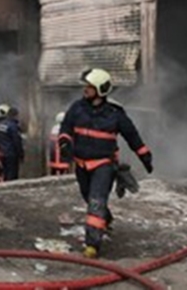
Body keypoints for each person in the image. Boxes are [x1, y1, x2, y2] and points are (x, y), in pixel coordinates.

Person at [59, 68, 154, 259]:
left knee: (96, 200)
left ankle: (92, 245)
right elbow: (66, 127)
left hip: (103, 165)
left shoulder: (115, 114)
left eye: (90, 86)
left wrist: (144, 156)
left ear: (100, 90)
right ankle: (106, 218)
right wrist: (65, 142)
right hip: (81, 164)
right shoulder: (77, 108)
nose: (85, 89)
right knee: (88, 196)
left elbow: (132, 137)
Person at [0, 104, 24, 182]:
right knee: (12, 174)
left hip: (1, 152)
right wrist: (21, 154)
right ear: (15, 115)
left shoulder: (0, 123)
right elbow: (17, 141)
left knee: (5, 172)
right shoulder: (13, 126)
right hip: (11, 153)